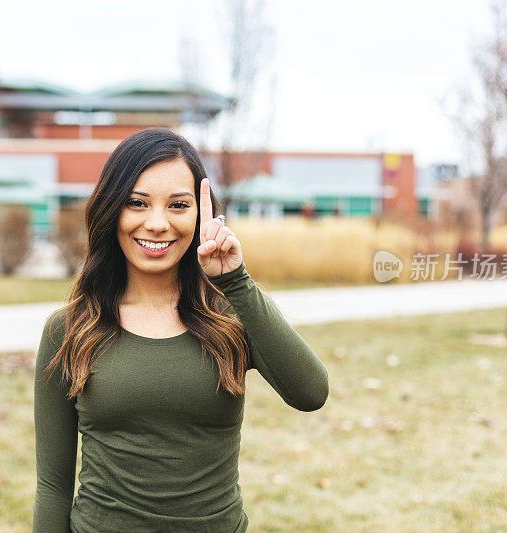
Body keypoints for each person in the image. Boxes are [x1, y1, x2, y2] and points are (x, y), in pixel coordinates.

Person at [32, 128, 329, 532]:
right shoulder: (70, 329)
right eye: (137, 203)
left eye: (178, 205)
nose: (157, 223)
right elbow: (53, 485)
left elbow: (311, 393)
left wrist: (236, 281)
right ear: (110, 210)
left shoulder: (232, 314)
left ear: (201, 214)